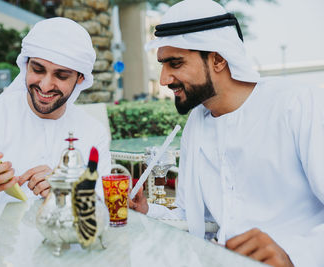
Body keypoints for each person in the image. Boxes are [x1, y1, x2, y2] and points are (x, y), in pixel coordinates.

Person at [129, 1, 324, 266]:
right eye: (163, 65)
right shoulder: (196, 124)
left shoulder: (297, 104)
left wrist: (294, 255)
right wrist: (147, 210)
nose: (163, 79)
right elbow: (199, 219)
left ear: (218, 59)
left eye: (175, 63)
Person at [0, 17, 111, 208]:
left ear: (80, 78)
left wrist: (67, 193)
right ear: (25, 65)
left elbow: (105, 205)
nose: (45, 85)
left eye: (61, 75)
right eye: (38, 69)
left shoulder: (92, 131)